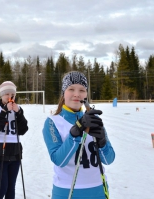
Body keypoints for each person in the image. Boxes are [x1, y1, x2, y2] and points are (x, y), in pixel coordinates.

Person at [42, 71, 115, 199]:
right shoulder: (53, 122)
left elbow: (109, 159)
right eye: (71, 89)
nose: (77, 94)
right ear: (63, 93)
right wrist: (75, 133)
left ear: (86, 94)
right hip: (66, 190)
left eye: (82, 90)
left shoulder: (93, 118)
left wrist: (102, 142)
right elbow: (60, 160)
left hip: (98, 189)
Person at [0, 81, 29, 199]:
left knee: (11, 188)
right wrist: (4, 112)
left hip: (15, 153)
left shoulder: (18, 108)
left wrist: (18, 113)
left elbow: (23, 130)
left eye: (12, 95)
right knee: (2, 187)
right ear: (1, 95)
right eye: (7, 94)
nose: (10, 97)